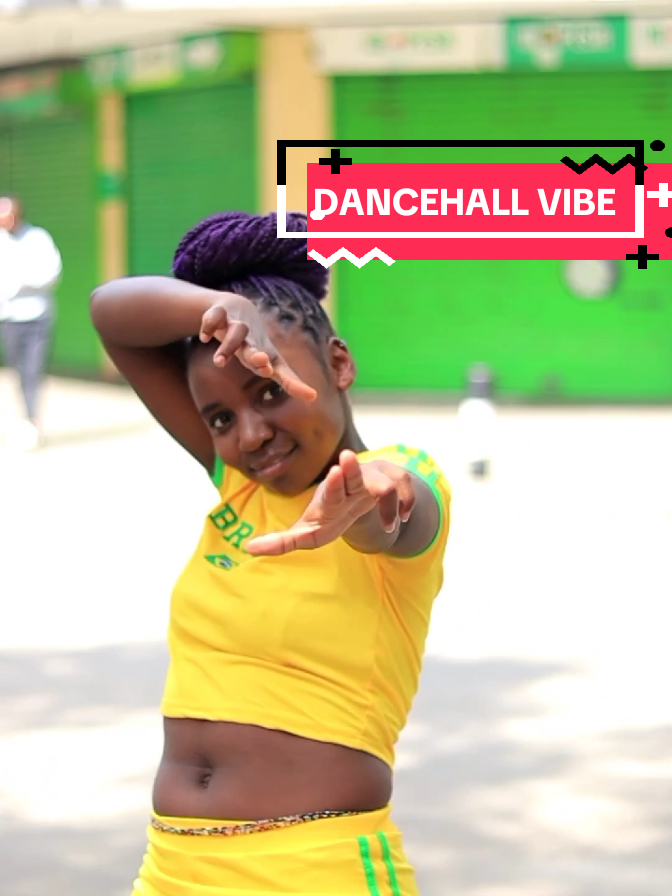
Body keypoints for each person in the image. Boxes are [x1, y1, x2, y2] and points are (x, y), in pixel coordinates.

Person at [89, 210, 451, 896]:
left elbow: (397, 512)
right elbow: (109, 312)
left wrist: (370, 499)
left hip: (316, 868)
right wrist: (212, 307)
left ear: (339, 363)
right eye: (221, 418)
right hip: (173, 868)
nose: (251, 433)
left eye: (269, 391)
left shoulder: (401, 472)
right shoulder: (240, 487)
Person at [0, 195, 62, 450]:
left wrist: (21, 279)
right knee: (18, 371)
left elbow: (50, 273)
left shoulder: (38, 239)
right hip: (9, 319)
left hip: (36, 317)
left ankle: (34, 420)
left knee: (33, 370)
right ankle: (26, 418)